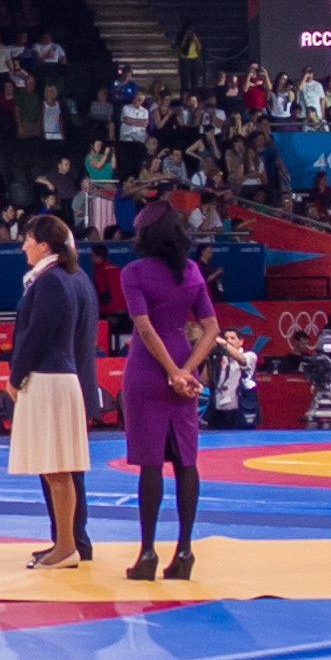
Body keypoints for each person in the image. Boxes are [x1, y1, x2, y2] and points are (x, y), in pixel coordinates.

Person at [121, 203, 219, 582]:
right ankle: (185, 550)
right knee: (185, 461)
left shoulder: (134, 273)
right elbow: (211, 327)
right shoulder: (192, 271)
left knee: (150, 464)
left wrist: (171, 371)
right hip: (183, 364)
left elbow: (144, 328)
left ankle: (146, 552)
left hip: (149, 369)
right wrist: (187, 369)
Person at [8, 213, 97, 569]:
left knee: (58, 467)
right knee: (59, 467)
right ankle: (67, 541)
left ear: (44, 244)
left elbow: (36, 336)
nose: (23, 246)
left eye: (27, 239)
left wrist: (15, 377)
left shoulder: (51, 282)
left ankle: (67, 545)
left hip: (51, 378)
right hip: (64, 376)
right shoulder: (71, 277)